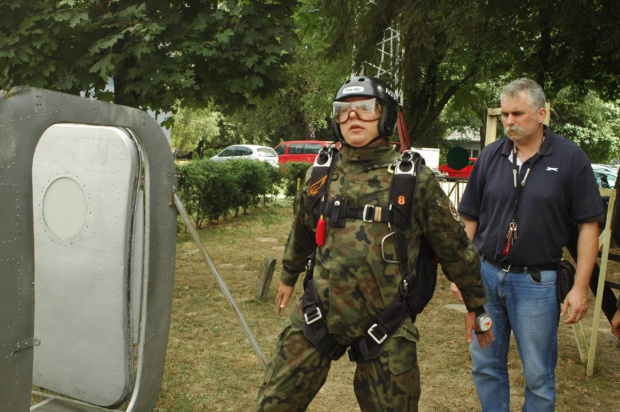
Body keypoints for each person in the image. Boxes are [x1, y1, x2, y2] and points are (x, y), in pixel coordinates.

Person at [255, 75, 492, 412]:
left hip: (387, 324)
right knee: (273, 403)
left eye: (365, 108)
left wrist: (475, 304)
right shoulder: (320, 173)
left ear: (386, 116)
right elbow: (303, 230)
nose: (353, 117)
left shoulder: (413, 181)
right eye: (343, 111)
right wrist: (288, 277)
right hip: (317, 313)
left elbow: (455, 247)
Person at [451, 78, 605, 412]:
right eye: (505, 114)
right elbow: (469, 221)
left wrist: (580, 288)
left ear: (541, 113)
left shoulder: (570, 158)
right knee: (485, 365)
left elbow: (588, 226)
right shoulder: (491, 156)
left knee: (537, 375)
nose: (508, 121)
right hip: (486, 278)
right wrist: (463, 275)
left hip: (536, 283)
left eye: (517, 113)